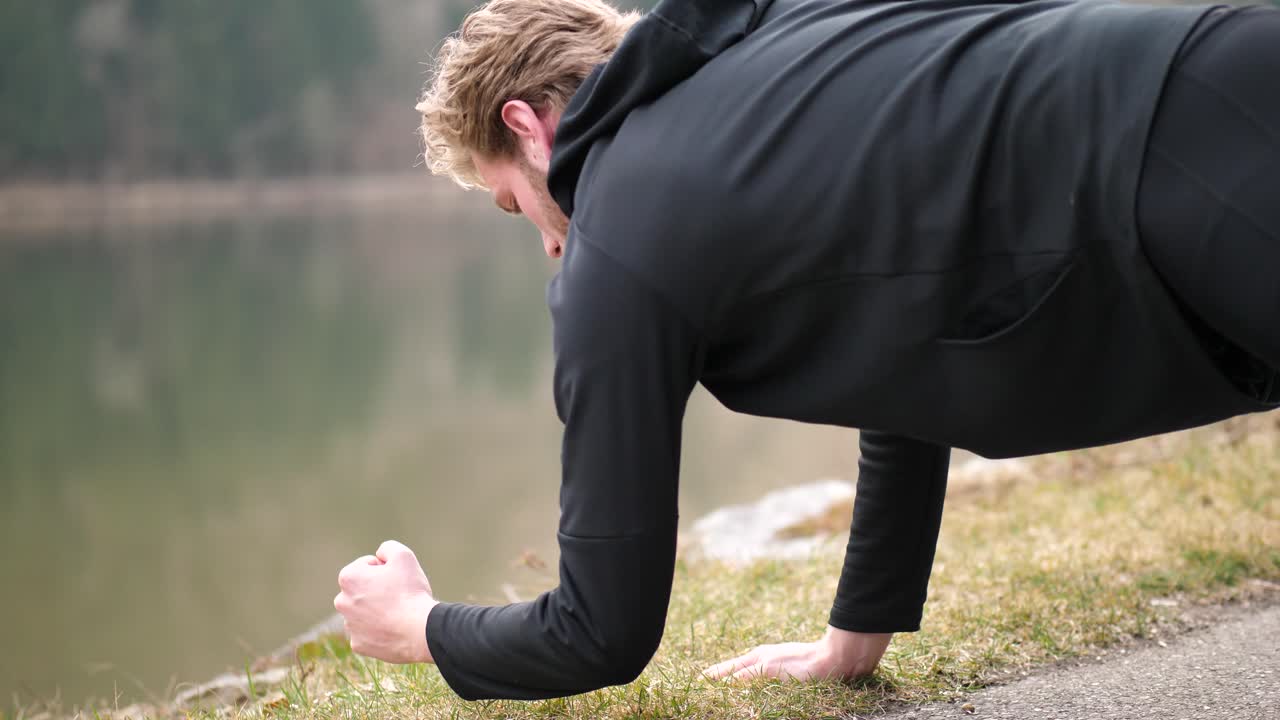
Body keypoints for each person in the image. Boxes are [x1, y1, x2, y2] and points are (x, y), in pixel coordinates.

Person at [333, 0, 1280, 701]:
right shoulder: (755, 59)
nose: (546, 242)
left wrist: (422, 628)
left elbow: (600, 630)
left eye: (515, 206)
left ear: (528, 129)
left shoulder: (621, 228)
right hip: (1230, 65)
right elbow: (897, 336)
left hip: (1192, 186)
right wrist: (857, 632)